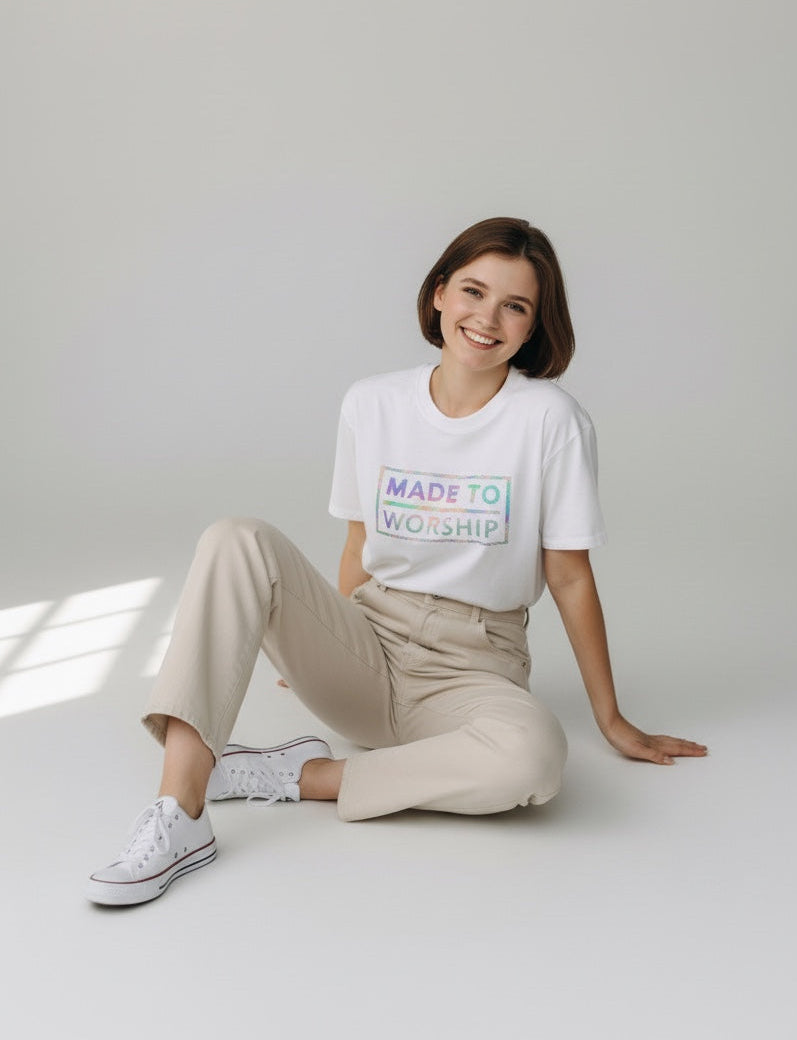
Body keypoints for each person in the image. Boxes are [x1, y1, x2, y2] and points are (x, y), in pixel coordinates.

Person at [86, 217, 707, 906]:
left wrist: (612, 719)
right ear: (439, 294)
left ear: (534, 327)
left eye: (515, 306)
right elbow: (359, 545)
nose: (487, 317)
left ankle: (298, 776)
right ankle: (181, 812)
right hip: (369, 647)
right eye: (473, 291)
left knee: (535, 758)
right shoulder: (373, 403)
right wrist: (323, 641)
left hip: (475, 669)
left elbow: (567, 575)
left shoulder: (550, 421)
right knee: (235, 537)